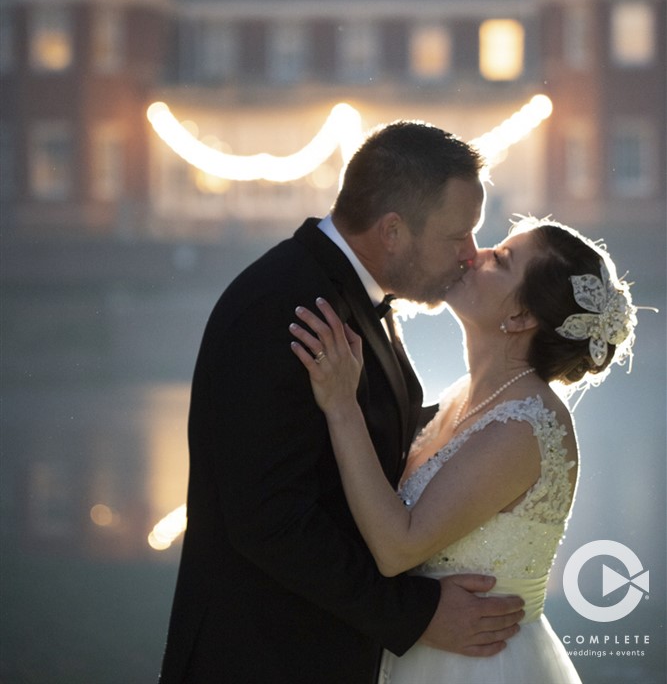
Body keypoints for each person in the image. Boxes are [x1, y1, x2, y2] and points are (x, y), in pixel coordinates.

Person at [159, 121, 525, 684]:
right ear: (393, 231)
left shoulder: (351, 292)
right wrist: (417, 614)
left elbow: (378, 442)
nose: (470, 255)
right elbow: (270, 520)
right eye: (458, 236)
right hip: (261, 658)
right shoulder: (285, 307)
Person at [290, 215, 638, 684]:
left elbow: (398, 548)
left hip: (480, 665)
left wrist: (341, 406)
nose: (476, 254)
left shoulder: (525, 426)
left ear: (521, 317)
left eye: (502, 260)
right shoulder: (464, 395)